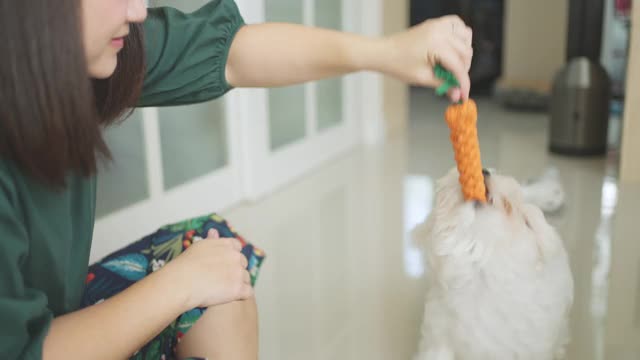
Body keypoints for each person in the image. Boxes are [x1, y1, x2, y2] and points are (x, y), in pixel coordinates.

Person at [0, 0, 473, 359]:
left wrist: (386, 53)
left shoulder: (83, 59)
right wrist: (177, 285)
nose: (138, 10)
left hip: (49, 319)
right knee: (198, 274)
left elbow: (231, 54)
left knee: (219, 264)